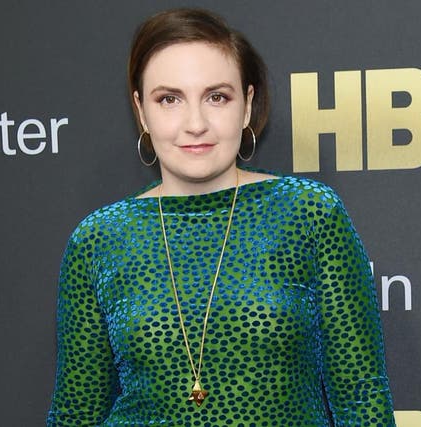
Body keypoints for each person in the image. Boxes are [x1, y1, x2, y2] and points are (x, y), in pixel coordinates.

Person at [47, 8, 395, 426]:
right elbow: (76, 412)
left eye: (217, 97)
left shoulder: (309, 213)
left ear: (247, 105)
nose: (195, 124)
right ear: (141, 111)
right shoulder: (99, 239)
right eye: (169, 99)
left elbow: (362, 396)